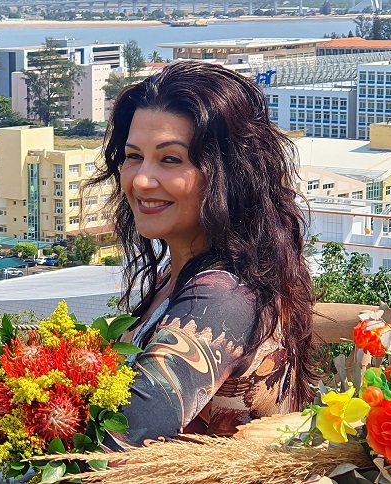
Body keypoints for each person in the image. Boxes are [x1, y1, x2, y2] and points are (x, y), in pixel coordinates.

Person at [83, 61, 319, 446]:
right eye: (133, 156)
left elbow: (120, 441)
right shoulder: (180, 277)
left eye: (170, 159)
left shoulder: (222, 298)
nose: (141, 179)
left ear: (228, 174)